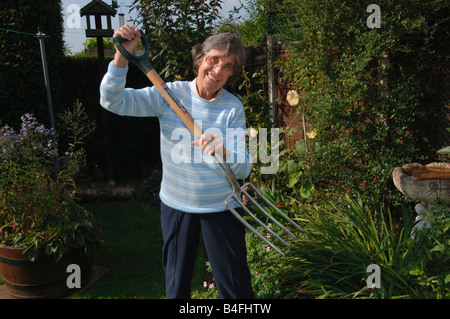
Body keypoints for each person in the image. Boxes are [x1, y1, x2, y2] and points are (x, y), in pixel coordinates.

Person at [100, 25, 254, 299]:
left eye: (227, 66)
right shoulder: (168, 94)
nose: (218, 70)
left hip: (222, 208)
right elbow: (113, 101)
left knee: (236, 289)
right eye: (213, 60)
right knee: (177, 286)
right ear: (200, 59)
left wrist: (225, 151)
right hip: (177, 206)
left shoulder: (232, 108)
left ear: (232, 73)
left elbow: (243, 168)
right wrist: (122, 57)